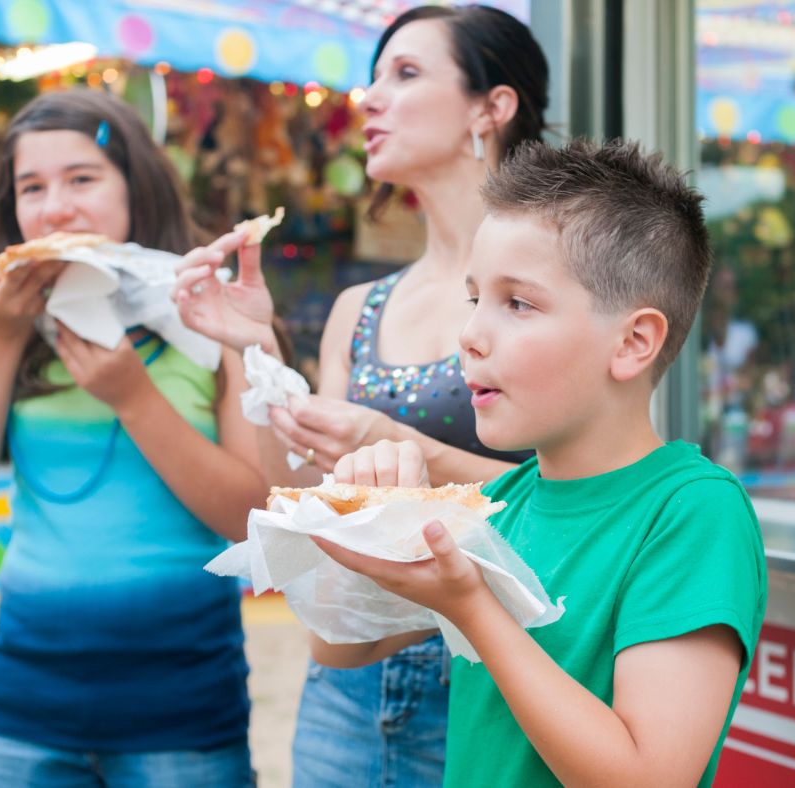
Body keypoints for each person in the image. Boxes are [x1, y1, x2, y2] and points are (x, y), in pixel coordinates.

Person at [310, 139, 768, 787]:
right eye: (474, 299)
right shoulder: (505, 501)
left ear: (634, 342)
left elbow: (648, 777)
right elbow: (338, 645)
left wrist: (473, 610)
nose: (469, 335)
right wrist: (367, 516)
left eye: (518, 303)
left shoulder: (693, 511)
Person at [173, 6, 549, 785]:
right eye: (373, 76)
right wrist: (260, 350)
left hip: (495, 678)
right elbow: (306, 494)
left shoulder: (548, 289)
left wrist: (410, 450)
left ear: (493, 106)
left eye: (404, 74)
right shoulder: (360, 308)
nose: (369, 98)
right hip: (344, 682)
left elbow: (585, 495)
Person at [0, 90, 266, 786]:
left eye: (82, 179)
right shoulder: (6, 320)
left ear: (133, 187)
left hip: (183, 705)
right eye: (32, 187)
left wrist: (133, 398)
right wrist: (1, 333)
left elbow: (256, 520)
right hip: (22, 701)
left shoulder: (214, 316)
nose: (55, 208)